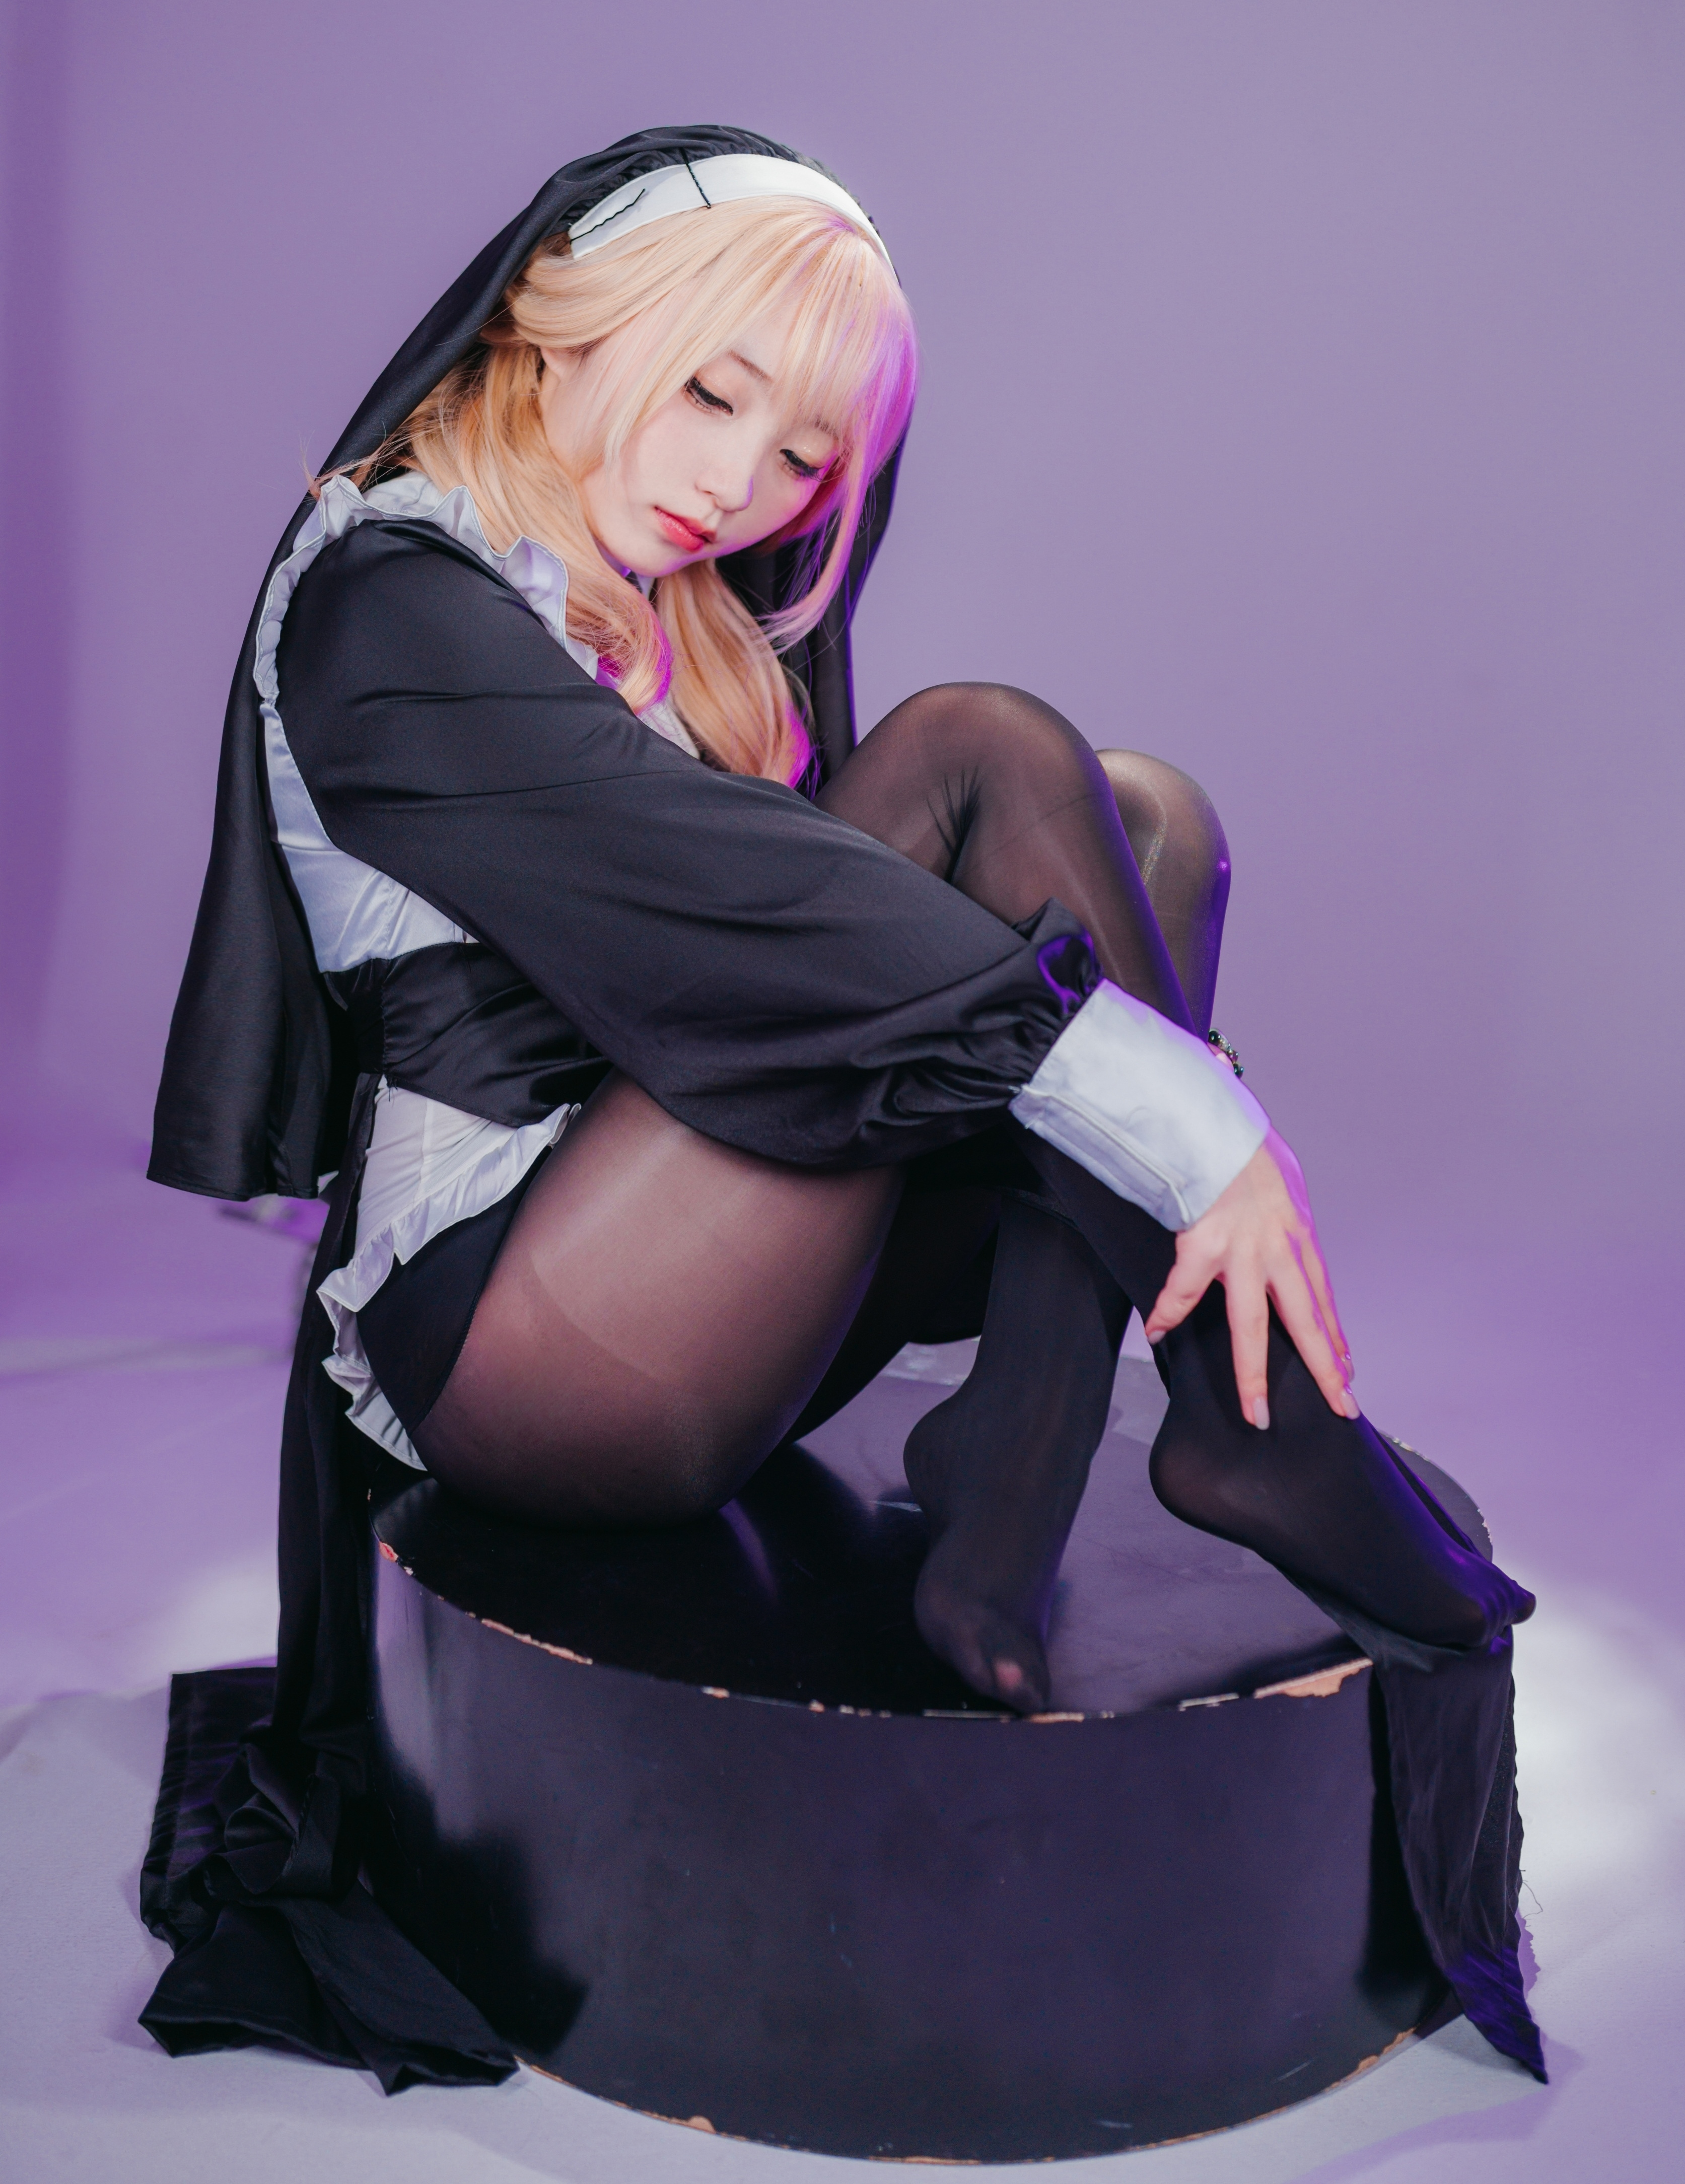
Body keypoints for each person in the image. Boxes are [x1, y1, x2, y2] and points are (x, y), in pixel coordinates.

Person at [139, 127, 1542, 2088]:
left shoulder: (669, 606)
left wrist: (1145, 1083)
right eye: (710, 393)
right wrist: (1202, 1126)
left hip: (699, 1254)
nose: (741, 487)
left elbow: (810, 980)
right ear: (563, 313)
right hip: (530, 1345)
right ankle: (1258, 1430)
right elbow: (763, 920)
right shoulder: (385, 596)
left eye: (802, 455)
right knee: (979, 753)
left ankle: (1012, 1465)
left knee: (1146, 820)